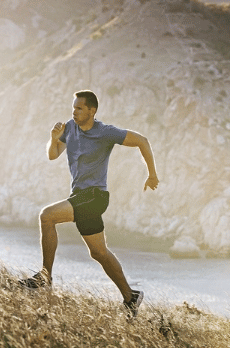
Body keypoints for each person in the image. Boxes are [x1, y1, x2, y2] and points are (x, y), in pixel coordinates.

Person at [21, 90, 159, 317]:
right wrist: (53, 138)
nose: (74, 112)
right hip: (79, 196)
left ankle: (45, 277)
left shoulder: (105, 132)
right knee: (99, 253)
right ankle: (131, 296)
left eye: (79, 108)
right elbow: (52, 155)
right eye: (73, 107)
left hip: (95, 196)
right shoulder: (70, 128)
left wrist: (152, 175)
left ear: (92, 111)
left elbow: (142, 141)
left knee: (47, 216)